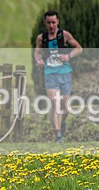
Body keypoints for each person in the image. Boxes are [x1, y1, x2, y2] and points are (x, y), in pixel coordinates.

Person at [34, 10, 83, 143]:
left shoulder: (65, 35)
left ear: (58, 22)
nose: (51, 25)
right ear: (45, 23)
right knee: (56, 105)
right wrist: (38, 60)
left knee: (65, 108)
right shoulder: (41, 38)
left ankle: (60, 124)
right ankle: (58, 136)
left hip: (65, 74)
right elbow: (37, 53)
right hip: (50, 75)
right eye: (48, 22)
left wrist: (68, 56)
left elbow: (79, 48)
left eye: (53, 22)